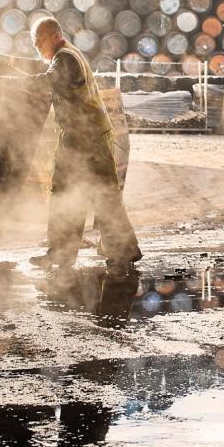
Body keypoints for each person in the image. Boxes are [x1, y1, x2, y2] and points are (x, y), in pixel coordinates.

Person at [14, 16, 141, 270]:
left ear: (54, 36)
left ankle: (122, 251)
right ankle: (63, 254)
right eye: (34, 42)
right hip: (79, 137)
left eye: (39, 41)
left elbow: (47, 81)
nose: (37, 46)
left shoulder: (66, 59)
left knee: (101, 195)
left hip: (88, 139)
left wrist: (10, 81)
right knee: (67, 195)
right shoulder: (67, 54)